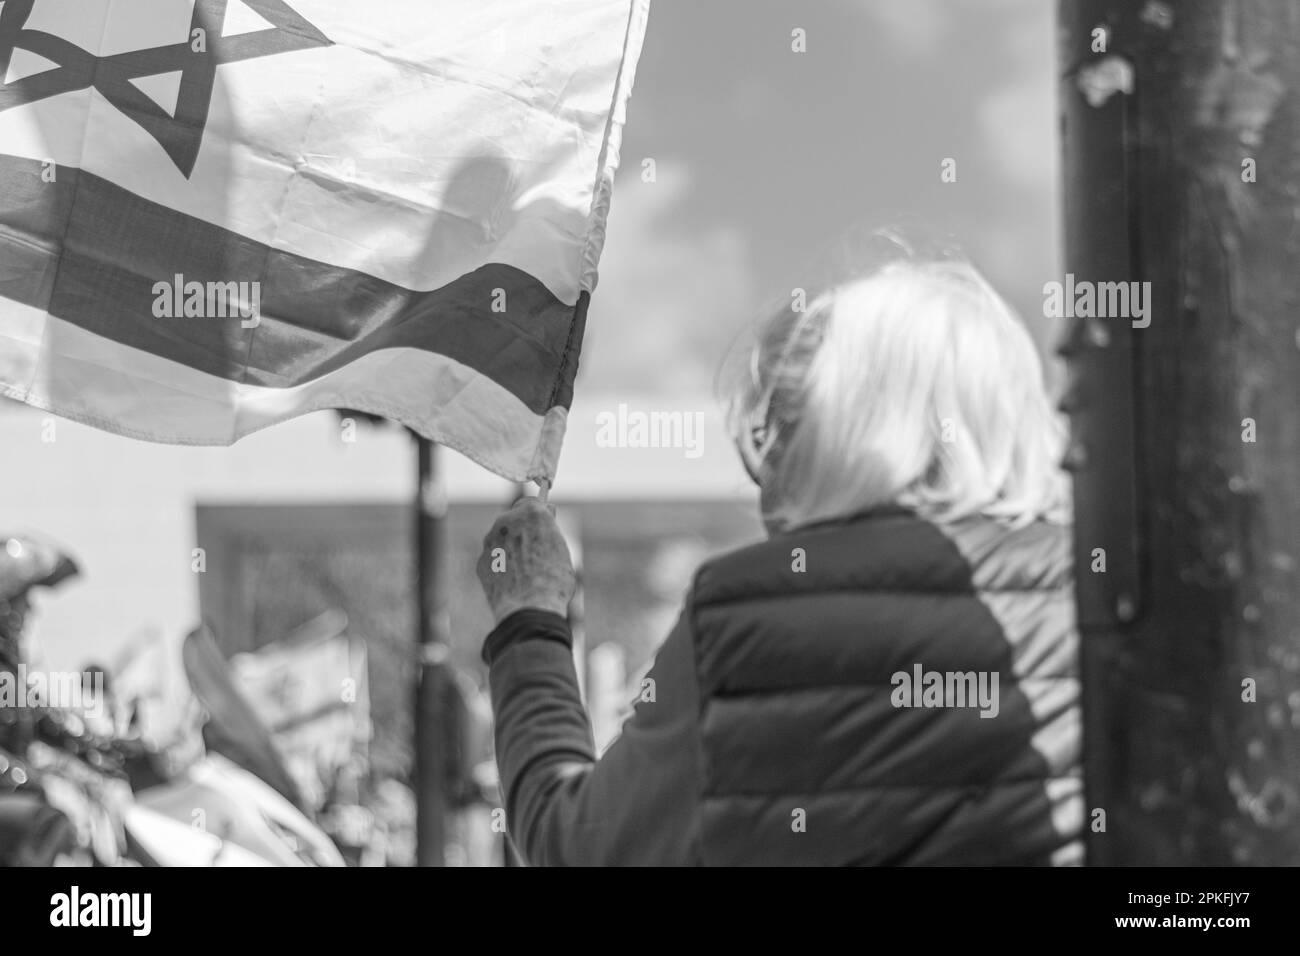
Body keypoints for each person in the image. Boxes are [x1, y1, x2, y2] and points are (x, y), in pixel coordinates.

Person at [476, 248, 1082, 866]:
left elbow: (578, 845)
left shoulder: (745, 618)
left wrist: (530, 619)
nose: (767, 499)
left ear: (845, 434)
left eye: (778, 446)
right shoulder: (1107, 600)